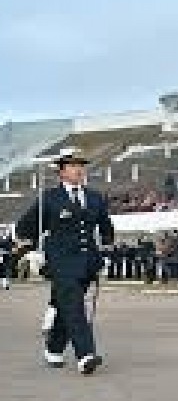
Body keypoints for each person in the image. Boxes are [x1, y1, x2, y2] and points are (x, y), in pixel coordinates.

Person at [16, 152, 111, 375]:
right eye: (72, 165)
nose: (78, 169)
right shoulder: (49, 198)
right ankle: (86, 355)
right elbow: (24, 228)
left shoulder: (95, 197)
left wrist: (106, 251)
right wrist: (30, 252)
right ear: (61, 171)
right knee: (76, 307)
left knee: (64, 308)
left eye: (81, 165)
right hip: (60, 263)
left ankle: (54, 348)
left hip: (88, 263)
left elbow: (106, 227)